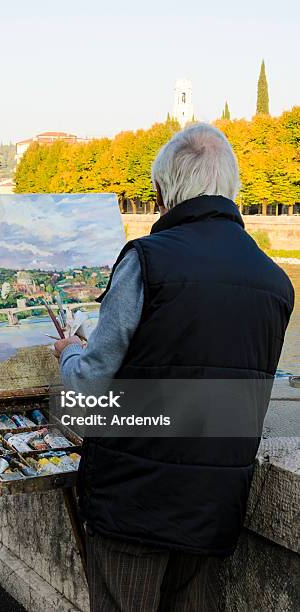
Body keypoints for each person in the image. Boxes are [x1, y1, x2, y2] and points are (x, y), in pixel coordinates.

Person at [54, 124, 294, 611]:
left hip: (133, 500)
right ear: (233, 188)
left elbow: (89, 386)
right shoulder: (275, 281)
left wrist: (67, 353)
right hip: (213, 503)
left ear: (162, 192)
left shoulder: (148, 260)